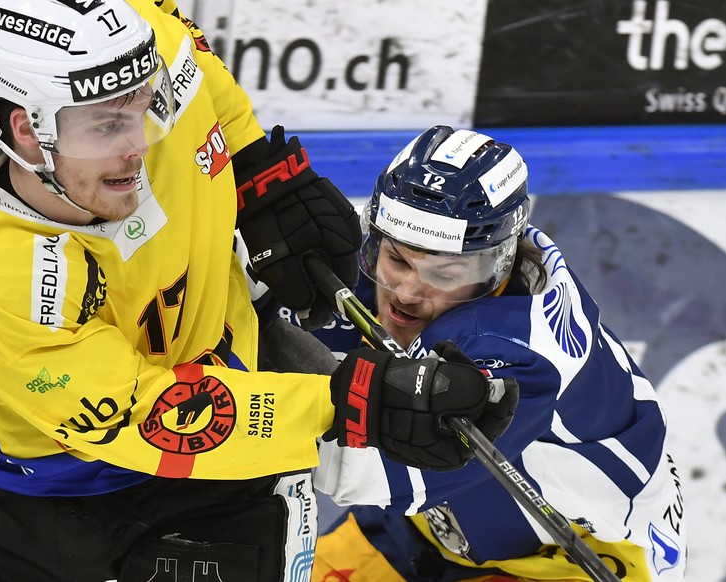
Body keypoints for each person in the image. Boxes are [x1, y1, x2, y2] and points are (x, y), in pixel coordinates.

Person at [0, 2, 519, 580]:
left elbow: (192, 65)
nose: (139, 146)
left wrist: (259, 170)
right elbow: (146, 413)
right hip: (26, 496)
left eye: (142, 106)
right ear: (27, 131)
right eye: (105, 126)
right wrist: (348, 404)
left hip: (216, 480)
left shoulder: (139, 55)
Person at [288, 126, 687, 581]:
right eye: (397, 260)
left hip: (569, 561)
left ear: (497, 266)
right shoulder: (404, 258)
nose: (407, 293)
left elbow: (355, 467)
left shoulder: (523, 355)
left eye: (446, 272)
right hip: (430, 528)